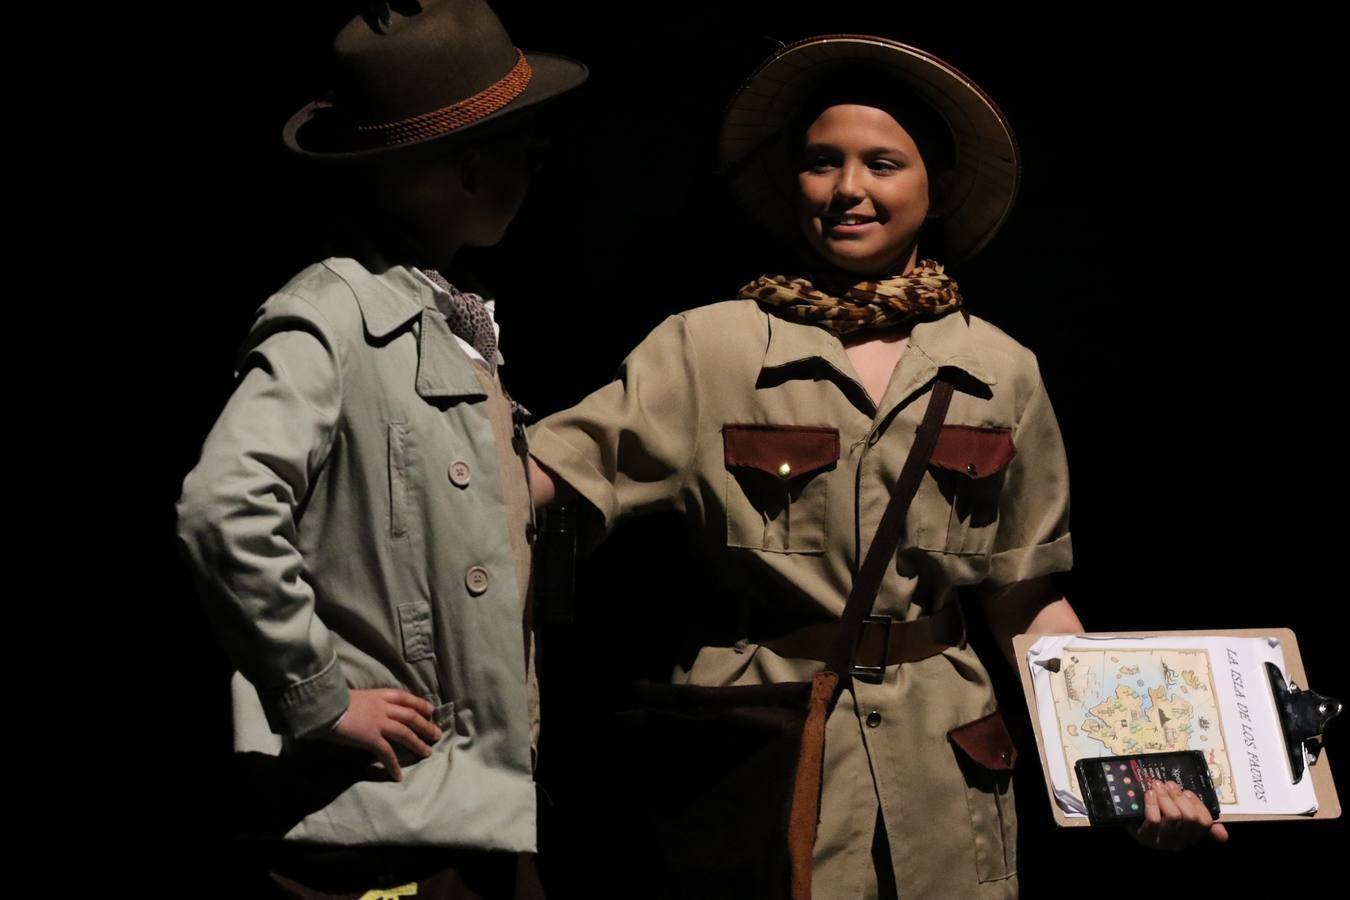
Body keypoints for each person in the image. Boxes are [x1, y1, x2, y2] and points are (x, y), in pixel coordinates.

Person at [526, 35, 1223, 899]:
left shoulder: (999, 371)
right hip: (767, 750)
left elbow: (1028, 600)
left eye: (882, 163)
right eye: (823, 162)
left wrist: (1135, 768)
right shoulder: (710, 349)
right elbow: (543, 474)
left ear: (938, 188)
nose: (848, 188)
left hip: (943, 770)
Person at [174, 2, 586, 896]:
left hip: (463, 806)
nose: (535, 169)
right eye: (527, 150)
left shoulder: (444, 311)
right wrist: (318, 695)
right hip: (376, 818)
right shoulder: (330, 316)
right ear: (471, 165)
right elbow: (224, 506)